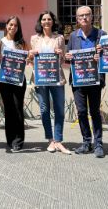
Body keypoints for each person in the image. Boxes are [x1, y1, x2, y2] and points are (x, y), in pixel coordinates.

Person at [65, 6, 106, 158]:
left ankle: (99, 144)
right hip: (78, 81)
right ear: (77, 19)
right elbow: (67, 57)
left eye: (87, 15)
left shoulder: (101, 35)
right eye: (81, 16)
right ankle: (86, 142)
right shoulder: (73, 36)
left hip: (95, 80)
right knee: (82, 112)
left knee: (94, 112)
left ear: (92, 16)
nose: (84, 18)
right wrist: (67, 58)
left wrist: (100, 58)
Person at [29, 11, 70, 155]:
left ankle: (58, 140)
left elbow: (63, 60)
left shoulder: (59, 38)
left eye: (49, 19)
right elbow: (30, 60)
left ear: (53, 22)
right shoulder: (34, 38)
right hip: (41, 78)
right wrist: (30, 54)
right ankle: (50, 139)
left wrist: (61, 53)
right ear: (40, 22)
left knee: (59, 109)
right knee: (44, 109)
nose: (46, 21)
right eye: (44, 19)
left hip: (56, 78)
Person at [0, 16, 28, 152]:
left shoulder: (22, 43)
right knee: (8, 109)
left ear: (18, 28)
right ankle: (10, 139)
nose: (12, 27)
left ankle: (19, 140)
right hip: (5, 80)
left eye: (15, 25)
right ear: (6, 25)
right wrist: (1, 58)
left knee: (18, 108)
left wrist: (29, 56)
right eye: (11, 25)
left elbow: (28, 59)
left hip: (19, 79)